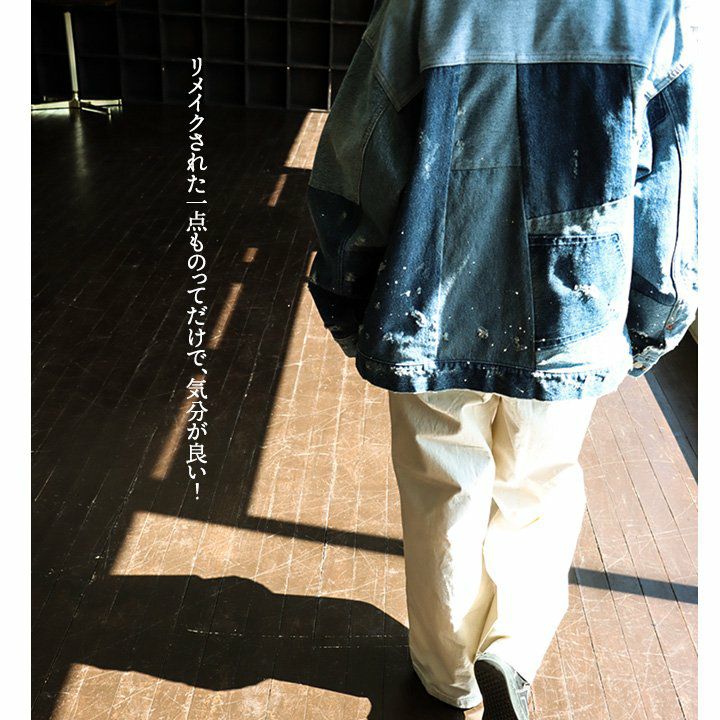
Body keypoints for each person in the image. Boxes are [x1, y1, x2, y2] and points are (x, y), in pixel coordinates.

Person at [304, 1, 697, 717]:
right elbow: (669, 185)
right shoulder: (650, 10)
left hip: (431, 299)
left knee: (441, 489)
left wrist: (348, 287)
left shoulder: (421, 6)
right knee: (538, 486)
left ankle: (448, 677)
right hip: (573, 301)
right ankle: (509, 653)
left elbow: (358, 154)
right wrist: (655, 316)